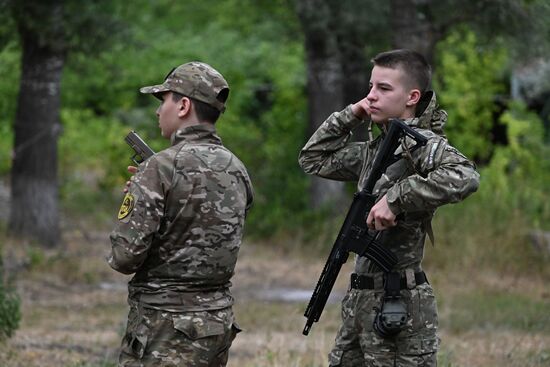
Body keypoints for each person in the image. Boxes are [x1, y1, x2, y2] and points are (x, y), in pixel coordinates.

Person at [298, 49, 480, 366]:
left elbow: (465, 176)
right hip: (361, 302)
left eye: (383, 89)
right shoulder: (377, 150)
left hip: (399, 306)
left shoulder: (422, 144)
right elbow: (313, 159)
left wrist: (395, 199)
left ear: (412, 97)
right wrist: (352, 113)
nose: (371, 97)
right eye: (370, 87)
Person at [108, 61, 254, 366]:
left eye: (164, 101)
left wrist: (138, 199)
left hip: (164, 327)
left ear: (184, 105)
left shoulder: (159, 168)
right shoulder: (237, 169)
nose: (158, 111)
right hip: (217, 322)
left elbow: (125, 257)